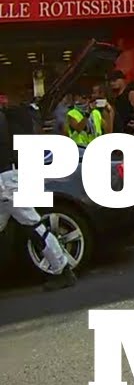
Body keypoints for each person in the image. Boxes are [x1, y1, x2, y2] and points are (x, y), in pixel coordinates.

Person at [0, 104, 77, 291]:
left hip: (5, 182)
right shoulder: (7, 116)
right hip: (10, 177)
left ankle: (62, 268)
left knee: (33, 225)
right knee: (31, 225)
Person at [107, 70, 134, 135]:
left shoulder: (130, 93)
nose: (112, 83)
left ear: (122, 80)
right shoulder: (113, 97)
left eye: (114, 80)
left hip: (131, 131)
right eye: (110, 81)